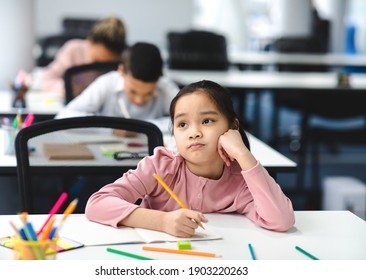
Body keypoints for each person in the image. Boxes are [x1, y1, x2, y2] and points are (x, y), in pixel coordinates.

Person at [85, 80, 295, 237]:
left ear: (232, 127)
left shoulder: (240, 179)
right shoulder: (160, 166)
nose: (193, 133)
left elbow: (281, 220)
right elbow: (97, 204)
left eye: (207, 120)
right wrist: (163, 221)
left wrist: (242, 153)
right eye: (182, 125)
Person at [55, 42, 180, 135]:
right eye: (133, 91)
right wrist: (111, 128)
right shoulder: (107, 83)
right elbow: (64, 116)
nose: (139, 100)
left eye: (148, 93)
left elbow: (190, 121)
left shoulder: (165, 87)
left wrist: (143, 128)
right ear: (121, 71)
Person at [40, 16, 127, 96]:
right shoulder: (73, 50)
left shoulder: (122, 61)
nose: (96, 69)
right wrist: (68, 88)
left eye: (103, 65)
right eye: (96, 61)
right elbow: (46, 80)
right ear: (90, 41)